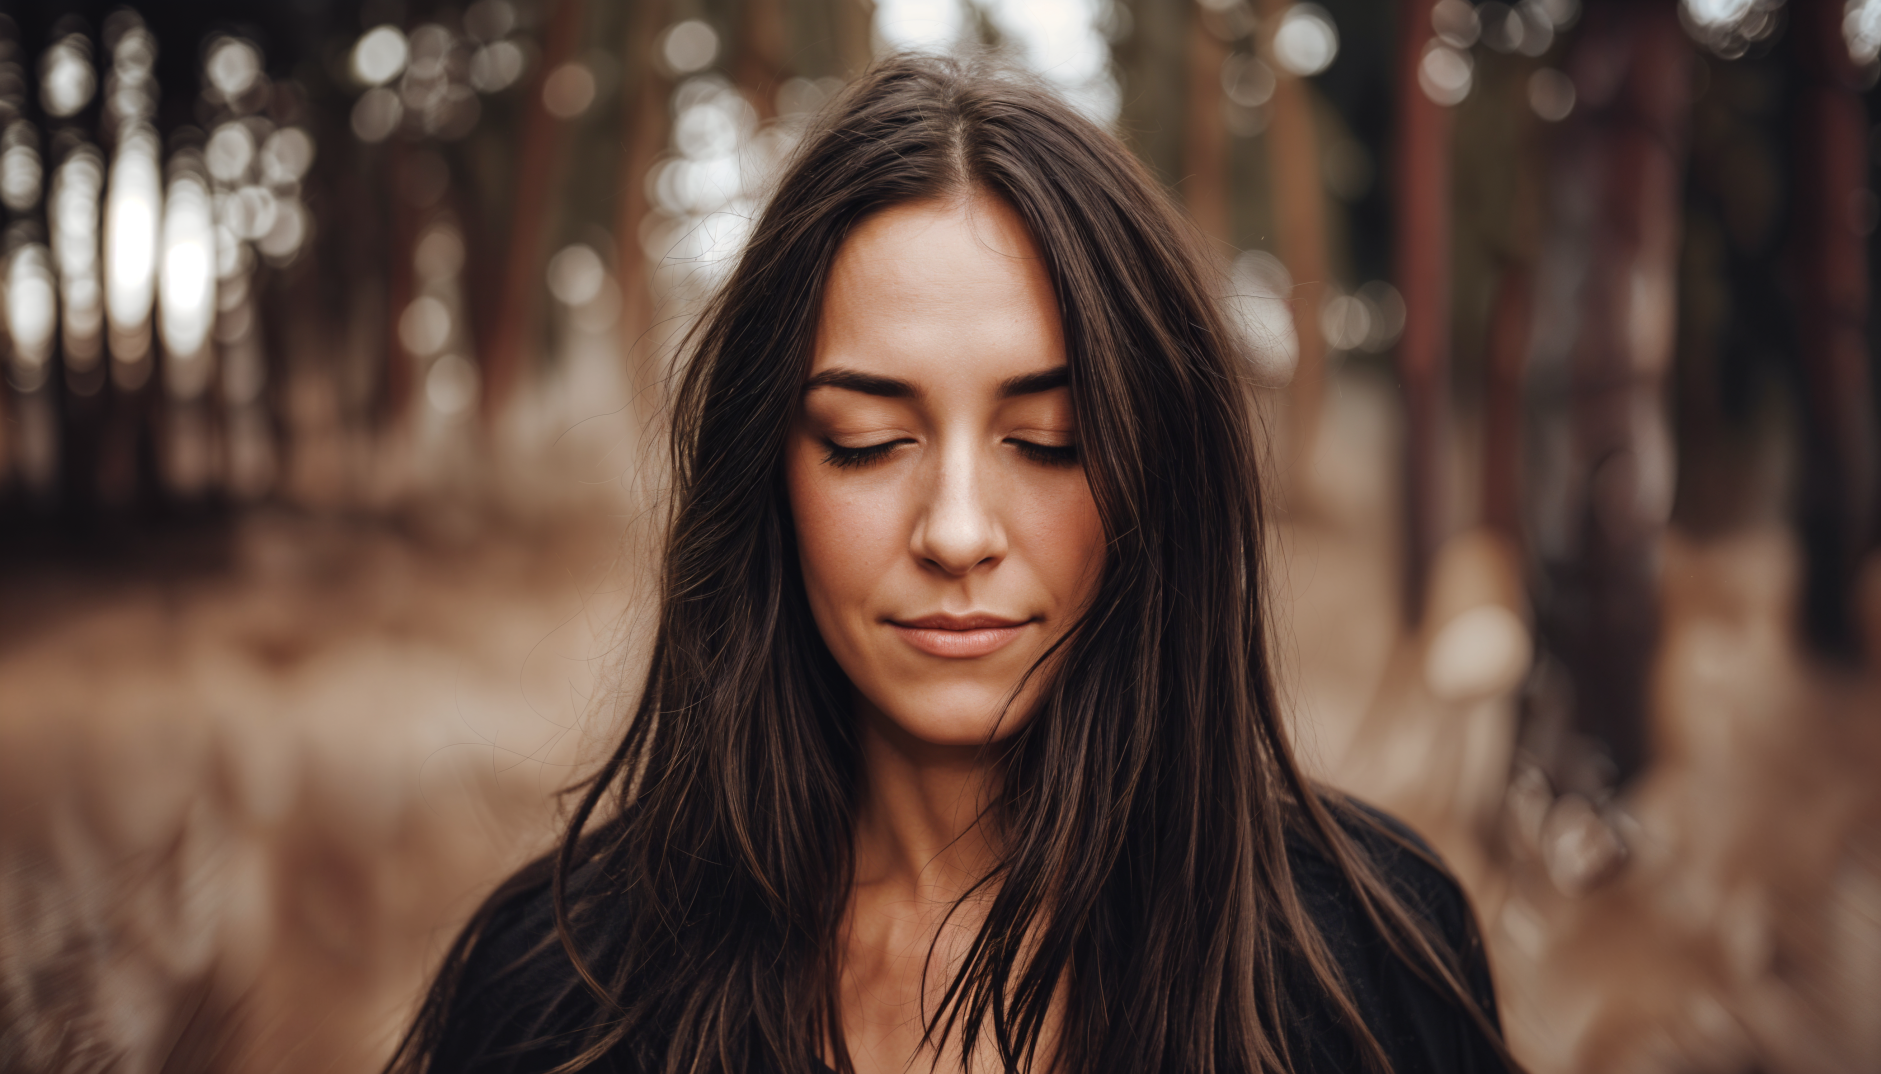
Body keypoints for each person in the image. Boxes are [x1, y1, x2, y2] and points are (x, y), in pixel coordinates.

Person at [386, 53, 1515, 1074]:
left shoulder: (1370, 967)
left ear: (1158, 478)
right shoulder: (558, 997)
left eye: (1051, 443)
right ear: (766, 477)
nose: (959, 530)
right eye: (868, 444)